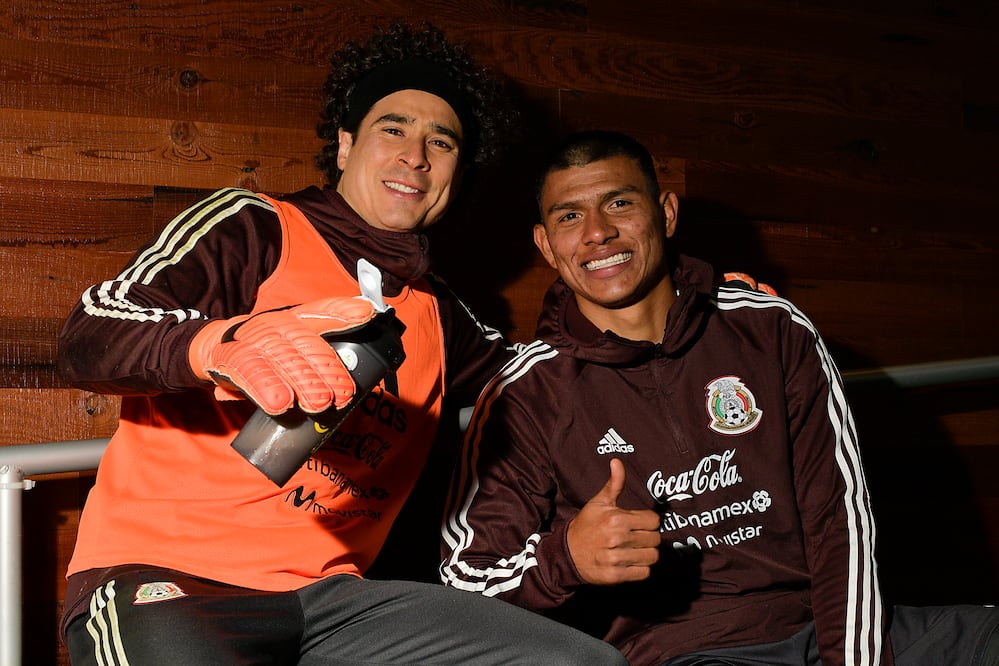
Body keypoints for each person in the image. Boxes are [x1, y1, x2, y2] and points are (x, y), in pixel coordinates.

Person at [56, 25, 629, 665]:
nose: (416, 155)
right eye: (393, 128)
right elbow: (90, 335)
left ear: (456, 174)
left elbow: (554, 375)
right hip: (173, 579)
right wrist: (223, 345)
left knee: (583, 662)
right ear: (346, 142)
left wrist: (695, 303)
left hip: (335, 607)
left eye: (441, 142)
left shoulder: (443, 315)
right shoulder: (257, 226)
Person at [440, 130, 999, 666]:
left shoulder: (771, 329)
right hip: (683, 654)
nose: (596, 233)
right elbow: (464, 583)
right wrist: (567, 559)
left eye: (618, 204)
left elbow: (839, 523)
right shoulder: (527, 391)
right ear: (545, 245)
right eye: (569, 216)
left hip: (829, 628)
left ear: (666, 213)